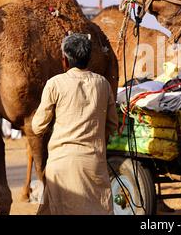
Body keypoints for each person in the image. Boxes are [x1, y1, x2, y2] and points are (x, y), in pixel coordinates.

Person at [32, 33, 117, 215]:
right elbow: (112, 125)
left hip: (60, 166)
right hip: (94, 164)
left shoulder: (54, 84)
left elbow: (37, 127)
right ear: (89, 58)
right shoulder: (103, 84)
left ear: (64, 60)